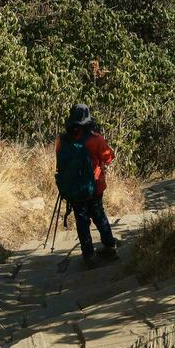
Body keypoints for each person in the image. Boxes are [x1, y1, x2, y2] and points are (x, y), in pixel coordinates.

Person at [54, 103, 119, 266]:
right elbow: (108, 158)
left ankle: (88, 256)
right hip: (95, 186)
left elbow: (60, 162)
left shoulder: (61, 140)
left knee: (81, 219)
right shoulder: (95, 139)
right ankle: (110, 246)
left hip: (73, 189)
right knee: (99, 215)